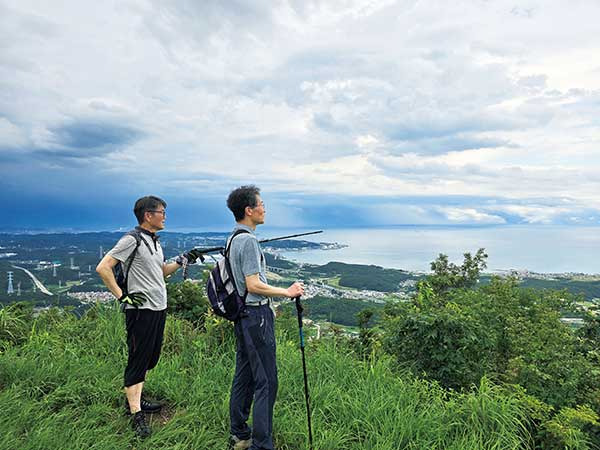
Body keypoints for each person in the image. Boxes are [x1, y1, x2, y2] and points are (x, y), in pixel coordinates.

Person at [96, 195, 200, 438]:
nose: (165, 216)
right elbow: (103, 267)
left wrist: (184, 259)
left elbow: (161, 271)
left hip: (158, 307)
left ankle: (137, 399)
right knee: (138, 358)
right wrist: (122, 297)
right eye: (162, 212)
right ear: (148, 215)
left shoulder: (153, 241)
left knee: (150, 358)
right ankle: (135, 413)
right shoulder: (131, 239)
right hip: (140, 311)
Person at [226, 185, 305, 450]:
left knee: (245, 374)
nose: (264, 209)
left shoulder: (233, 237)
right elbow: (253, 285)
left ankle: (239, 433)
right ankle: (261, 445)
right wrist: (287, 291)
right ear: (249, 210)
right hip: (256, 315)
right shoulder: (247, 240)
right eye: (261, 204)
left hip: (242, 316)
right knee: (267, 382)